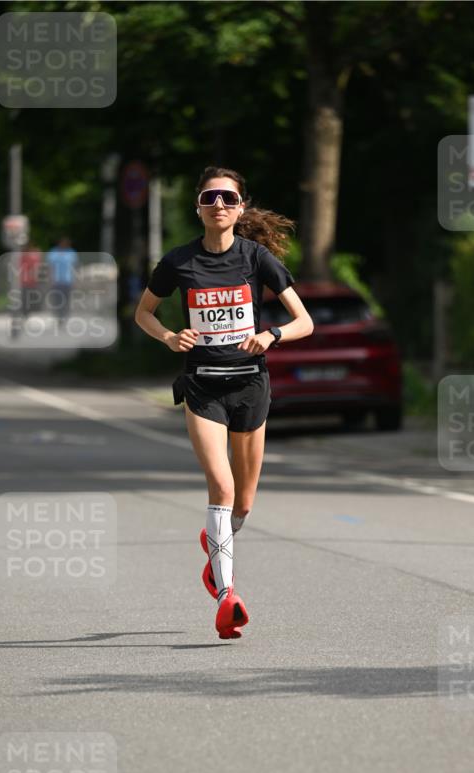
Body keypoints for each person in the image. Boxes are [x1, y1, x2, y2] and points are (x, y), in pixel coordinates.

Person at [135, 166, 313, 639]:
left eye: (228, 199)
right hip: (203, 386)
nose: (219, 205)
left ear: (240, 208)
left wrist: (272, 334)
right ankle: (227, 598)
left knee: (245, 502)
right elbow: (143, 313)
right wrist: (171, 336)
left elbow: (304, 323)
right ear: (198, 205)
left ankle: (216, 550)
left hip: (250, 385)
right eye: (210, 197)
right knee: (222, 487)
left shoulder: (257, 259)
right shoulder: (178, 262)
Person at [46, 236, 79, 330]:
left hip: (67, 281)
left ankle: (64, 316)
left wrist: (75, 280)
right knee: (56, 300)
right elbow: (50, 267)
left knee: (66, 300)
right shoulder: (53, 252)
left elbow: (75, 267)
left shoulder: (71, 253)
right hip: (56, 281)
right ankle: (58, 316)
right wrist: (50, 279)